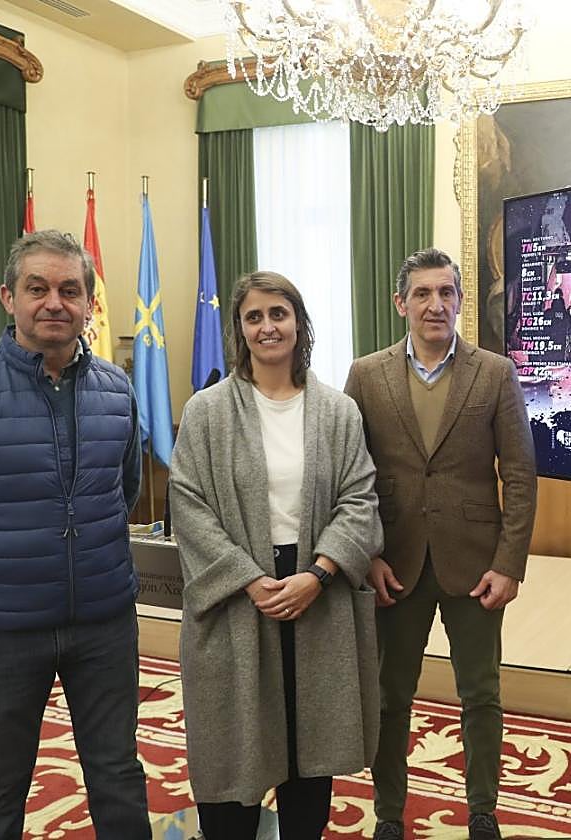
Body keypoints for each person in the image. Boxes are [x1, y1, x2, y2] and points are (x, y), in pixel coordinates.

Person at [0, 230, 150, 838]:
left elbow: (123, 491)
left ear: (88, 303)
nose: (55, 302)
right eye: (38, 288)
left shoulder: (117, 390)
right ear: (9, 298)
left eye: (70, 290)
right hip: (0, 627)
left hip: (103, 622)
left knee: (118, 775)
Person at [170, 271, 383, 840]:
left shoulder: (337, 411)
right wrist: (246, 578)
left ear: (299, 323)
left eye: (278, 313)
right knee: (232, 748)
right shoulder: (207, 411)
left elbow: (360, 500)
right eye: (254, 316)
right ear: (240, 330)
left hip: (316, 591)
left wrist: (319, 574)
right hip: (238, 595)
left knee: (308, 750)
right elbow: (187, 505)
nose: (268, 327)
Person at [343, 248, 537, 840]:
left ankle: (483, 812)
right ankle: (388, 816)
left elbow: (520, 475)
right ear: (401, 304)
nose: (435, 304)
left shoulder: (495, 372)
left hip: (475, 566)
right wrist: (367, 556)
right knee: (389, 697)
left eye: (446, 292)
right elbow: (351, 476)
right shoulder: (365, 376)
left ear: (460, 300)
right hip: (392, 564)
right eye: (422, 293)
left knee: (481, 695)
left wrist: (509, 564)